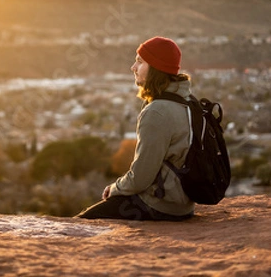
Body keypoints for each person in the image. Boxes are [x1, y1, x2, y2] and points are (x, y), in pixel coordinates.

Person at [76, 36, 195, 221]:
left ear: (155, 68)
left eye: (140, 62)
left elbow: (141, 178)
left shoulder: (157, 112)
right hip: (182, 204)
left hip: (160, 205)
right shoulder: (187, 102)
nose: (133, 67)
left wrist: (114, 188)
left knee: (85, 222)